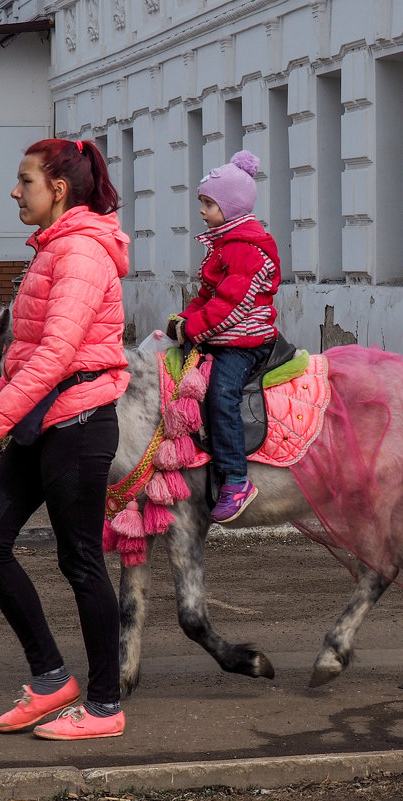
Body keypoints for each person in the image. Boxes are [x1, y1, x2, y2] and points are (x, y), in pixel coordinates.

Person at [0, 138, 130, 741]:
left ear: (58, 189)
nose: (14, 191)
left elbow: (57, 355)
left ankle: (106, 708)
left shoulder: (81, 252)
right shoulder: (54, 248)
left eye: (24, 180)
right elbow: (24, 353)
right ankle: (52, 680)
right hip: (40, 419)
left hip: (79, 421)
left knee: (80, 561)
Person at [166, 150, 281, 524]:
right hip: (223, 336)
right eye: (202, 202)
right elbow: (207, 296)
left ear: (231, 207)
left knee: (221, 395)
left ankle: (235, 477)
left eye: (208, 203)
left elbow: (232, 305)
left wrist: (195, 329)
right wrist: (183, 320)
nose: (202, 210)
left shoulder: (246, 249)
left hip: (245, 342)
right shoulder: (223, 243)